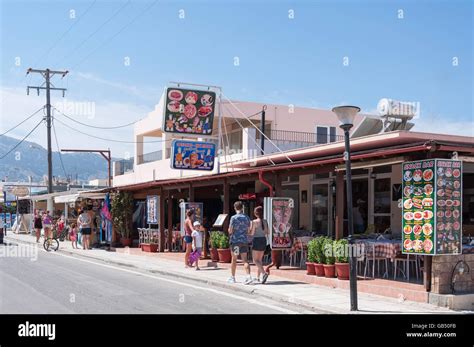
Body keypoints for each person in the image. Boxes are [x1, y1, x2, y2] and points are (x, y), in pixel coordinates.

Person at [227, 201, 252, 285]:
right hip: (244, 241)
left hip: (235, 241)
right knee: (245, 260)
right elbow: (249, 231)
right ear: (242, 208)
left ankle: (233, 277)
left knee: (234, 259)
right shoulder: (247, 217)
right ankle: (248, 276)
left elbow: (230, 231)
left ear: (235, 208)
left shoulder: (234, 218)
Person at [249, 206, 270, 284]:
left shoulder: (254, 222)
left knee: (255, 260)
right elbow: (268, 232)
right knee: (259, 260)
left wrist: (248, 231)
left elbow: (252, 233)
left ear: (255, 213)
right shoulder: (265, 221)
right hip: (263, 240)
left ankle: (264, 273)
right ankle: (258, 277)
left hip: (257, 240)